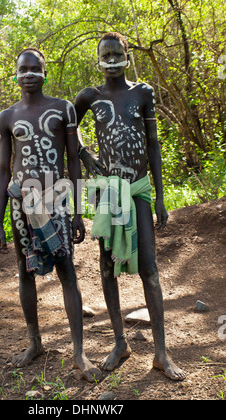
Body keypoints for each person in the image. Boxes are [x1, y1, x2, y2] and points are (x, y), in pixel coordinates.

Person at [74, 32, 185, 381]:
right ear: (98, 58)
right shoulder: (90, 96)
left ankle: (161, 352)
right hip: (107, 190)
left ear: (126, 54)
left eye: (115, 52)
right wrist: (84, 154)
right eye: (104, 53)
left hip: (138, 189)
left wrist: (161, 196)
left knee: (149, 269)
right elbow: (68, 127)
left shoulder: (143, 93)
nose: (110, 58)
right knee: (107, 267)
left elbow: (153, 144)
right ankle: (120, 342)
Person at [0, 47, 101, 382]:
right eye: (22, 69)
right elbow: (2, 170)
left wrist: (78, 211)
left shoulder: (63, 109)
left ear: (44, 72)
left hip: (56, 198)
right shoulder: (7, 117)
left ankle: (80, 353)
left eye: (34, 69)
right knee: (25, 273)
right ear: (15, 74)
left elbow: (72, 160)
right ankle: (34, 342)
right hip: (20, 202)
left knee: (68, 272)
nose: (28, 74)